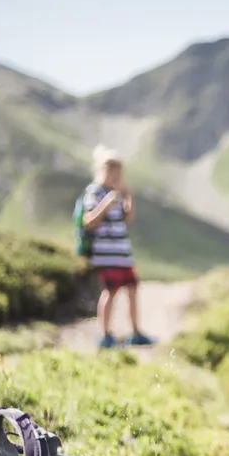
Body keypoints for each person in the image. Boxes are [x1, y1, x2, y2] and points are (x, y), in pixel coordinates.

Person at [82, 145, 154, 349]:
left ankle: (136, 331)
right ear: (107, 169)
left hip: (122, 252)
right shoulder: (94, 191)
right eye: (116, 171)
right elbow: (88, 220)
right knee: (110, 292)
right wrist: (106, 203)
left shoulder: (117, 192)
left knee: (132, 288)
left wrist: (127, 196)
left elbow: (128, 218)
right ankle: (105, 335)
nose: (119, 176)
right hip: (106, 254)